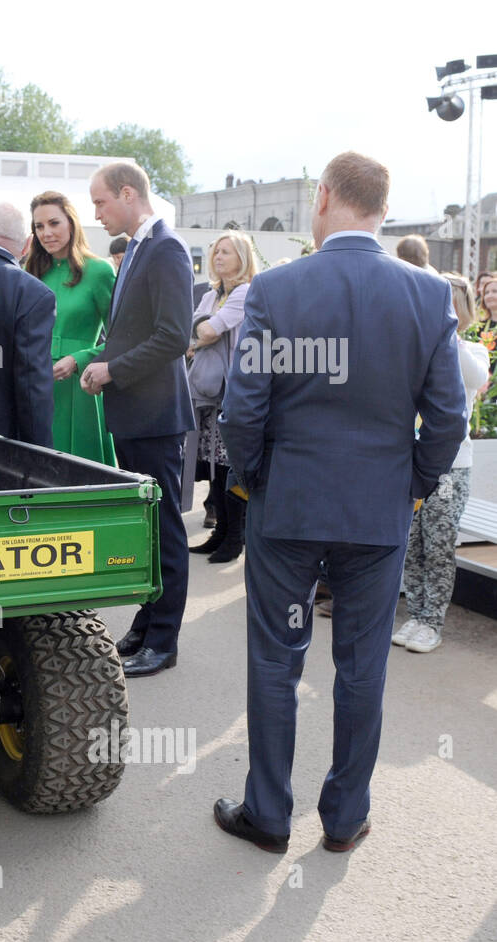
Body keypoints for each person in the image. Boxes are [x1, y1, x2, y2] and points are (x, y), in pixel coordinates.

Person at [214, 151, 468, 853]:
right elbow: (448, 418)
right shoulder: (425, 295)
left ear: (323, 196)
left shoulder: (277, 289)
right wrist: (412, 484)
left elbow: (242, 410)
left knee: (275, 657)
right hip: (377, 510)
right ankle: (345, 817)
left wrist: (259, 477)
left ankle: (267, 814)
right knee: (362, 666)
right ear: (384, 208)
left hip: (288, 503)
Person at [80, 162, 193, 677]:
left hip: (154, 415)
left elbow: (174, 336)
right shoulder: (141, 246)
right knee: (148, 526)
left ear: (128, 194)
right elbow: (133, 331)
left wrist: (112, 370)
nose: (96, 213)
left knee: (165, 528)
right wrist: (94, 361)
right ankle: (147, 624)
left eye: (101, 202)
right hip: (135, 412)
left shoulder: (165, 247)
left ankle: (164, 640)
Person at [394, 273, 490, 652]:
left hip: (452, 466)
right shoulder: (416, 348)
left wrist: (444, 332)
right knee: (413, 541)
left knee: (438, 542)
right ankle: (416, 614)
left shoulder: (469, 350)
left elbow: (477, 377)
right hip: (413, 460)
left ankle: (432, 620)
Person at [25, 190, 116, 465]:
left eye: (54, 223)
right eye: (39, 226)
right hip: (37, 383)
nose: (46, 232)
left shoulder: (99, 271)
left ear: (72, 223)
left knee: (82, 475)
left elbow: (121, 336)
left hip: (80, 388)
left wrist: (79, 359)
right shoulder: (31, 272)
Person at [187, 231, 259, 563]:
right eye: (216, 252)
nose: (217, 257)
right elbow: (190, 334)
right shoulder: (213, 293)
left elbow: (207, 331)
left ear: (242, 258)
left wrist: (200, 332)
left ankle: (235, 538)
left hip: (233, 392)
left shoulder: (245, 292)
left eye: (226, 252)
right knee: (213, 465)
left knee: (230, 465)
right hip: (209, 393)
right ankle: (219, 534)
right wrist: (200, 331)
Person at [0, 202, 54, 448]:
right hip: (1, 440)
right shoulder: (33, 293)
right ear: (27, 244)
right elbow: (32, 385)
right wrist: (40, 451)